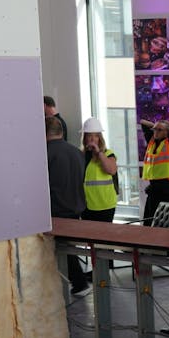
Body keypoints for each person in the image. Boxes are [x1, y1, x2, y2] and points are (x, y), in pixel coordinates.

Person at [45, 115, 89, 297]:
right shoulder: (77, 152)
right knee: (67, 250)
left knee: (56, 252)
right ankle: (78, 281)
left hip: (55, 210)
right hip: (75, 208)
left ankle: (74, 282)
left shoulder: (45, 153)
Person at [141, 119, 169, 226]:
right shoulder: (152, 142)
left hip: (167, 187)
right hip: (155, 187)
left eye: (159, 130)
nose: (156, 132)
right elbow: (143, 123)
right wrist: (156, 125)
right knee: (149, 219)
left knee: (161, 221)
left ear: (167, 132)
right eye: (154, 129)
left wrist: (167, 127)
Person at [79, 118, 118, 224]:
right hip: (86, 204)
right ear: (85, 138)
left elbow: (112, 170)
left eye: (95, 136)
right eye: (89, 136)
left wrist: (99, 153)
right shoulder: (81, 155)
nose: (92, 139)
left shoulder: (108, 154)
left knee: (104, 237)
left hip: (105, 204)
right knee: (89, 236)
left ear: (100, 138)